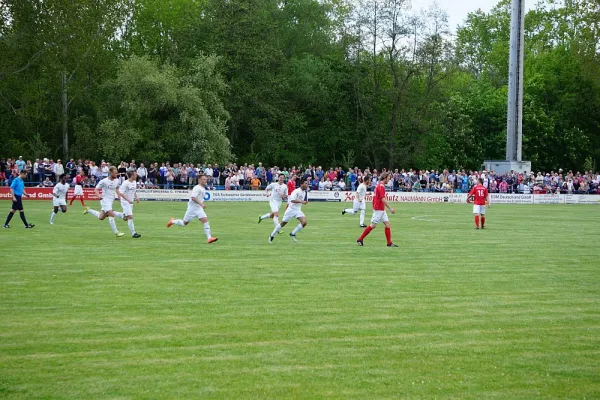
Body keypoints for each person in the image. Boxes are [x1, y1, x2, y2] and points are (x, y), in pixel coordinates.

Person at [166, 174, 218, 244]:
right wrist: (201, 204)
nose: (206, 180)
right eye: (204, 179)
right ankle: (172, 221)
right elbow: (193, 197)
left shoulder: (203, 188)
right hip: (192, 208)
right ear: (199, 180)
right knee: (184, 223)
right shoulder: (197, 188)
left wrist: (200, 205)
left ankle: (209, 238)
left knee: (206, 221)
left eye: (206, 179)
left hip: (198, 209)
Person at [357, 172, 397, 247]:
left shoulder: (379, 185)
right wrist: (390, 208)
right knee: (373, 225)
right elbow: (382, 199)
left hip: (380, 208)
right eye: (388, 178)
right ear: (385, 177)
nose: (389, 179)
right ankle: (360, 239)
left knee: (387, 224)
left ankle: (389, 243)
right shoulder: (381, 186)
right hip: (379, 208)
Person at [83, 166, 126, 237]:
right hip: (104, 200)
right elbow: (96, 189)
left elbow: (117, 188)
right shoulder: (104, 181)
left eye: (117, 173)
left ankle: (88, 210)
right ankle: (117, 231)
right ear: (111, 173)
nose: (116, 174)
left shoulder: (116, 180)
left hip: (111, 200)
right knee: (111, 214)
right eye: (115, 173)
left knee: (101, 217)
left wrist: (118, 196)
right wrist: (99, 196)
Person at [269, 175, 309, 243]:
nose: (307, 185)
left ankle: (293, 233)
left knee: (304, 222)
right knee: (282, 224)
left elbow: (303, 200)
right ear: (301, 184)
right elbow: (292, 200)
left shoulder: (304, 192)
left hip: (298, 210)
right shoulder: (296, 191)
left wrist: (305, 202)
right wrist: (302, 201)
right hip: (291, 210)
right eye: (306, 183)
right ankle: (272, 235)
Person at [119, 171, 142, 238]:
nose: (136, 176)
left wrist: (136, 197)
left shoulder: (134, 182)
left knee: (125, 218)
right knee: (130, 217)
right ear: (132, 175)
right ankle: (133, 233)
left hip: (130, 202)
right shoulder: (125, 183)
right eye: (135, 175)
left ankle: (113, 213)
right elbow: (121, 193)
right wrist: (128, 200)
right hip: (125, 202)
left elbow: (134, 191)